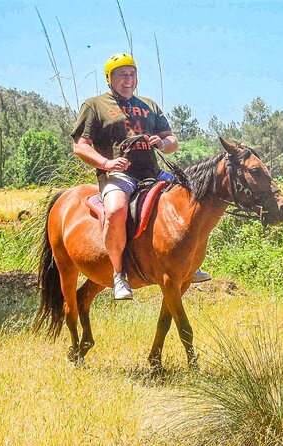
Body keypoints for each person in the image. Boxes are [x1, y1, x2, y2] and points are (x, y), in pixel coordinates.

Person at [71, 53, 210, 300]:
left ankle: (189, 264)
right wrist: (107, 162)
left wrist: (163, 142)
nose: (128, 79)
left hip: (153, 173)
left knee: (191, 200)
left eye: (132, 74)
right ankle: (119, 275)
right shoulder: (95, 105)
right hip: (118, 175)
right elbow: (80, 146)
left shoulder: (149, 105)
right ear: (109, 78)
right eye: (122, 74)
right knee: (115, 210)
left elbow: (173, 141)